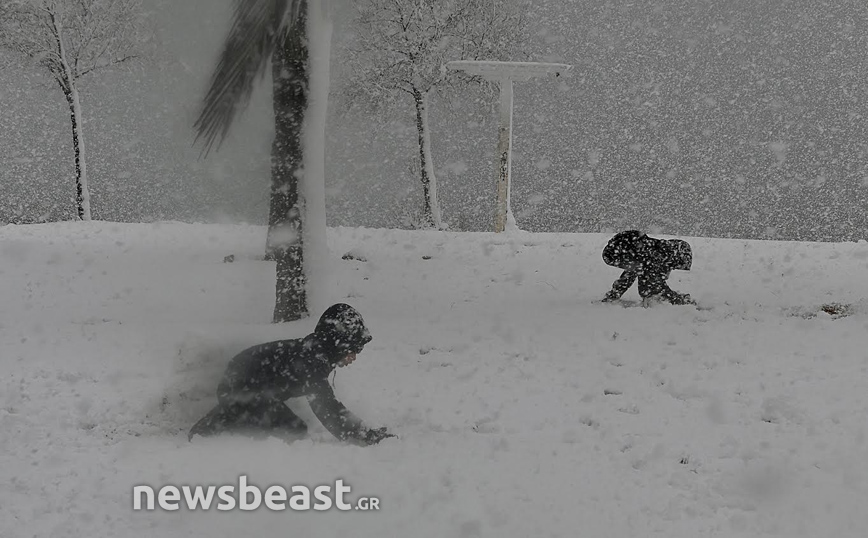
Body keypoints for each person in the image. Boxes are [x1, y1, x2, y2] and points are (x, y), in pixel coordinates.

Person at [188, 303, 395, 446]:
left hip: (245, 388)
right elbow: (327, 408)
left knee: (286, 424)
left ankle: (218, 421)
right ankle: (217, 437)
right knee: (293, 430)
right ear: (338, 344)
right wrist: (365, 435)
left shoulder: (314, 352)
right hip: (240, 388)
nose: (354, 357)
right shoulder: (312, 361)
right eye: (353, 350)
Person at [600, 230, 695, 305]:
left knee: (644, 273)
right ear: (675, 257)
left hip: (615, 250)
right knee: (645, 274)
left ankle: (616, 295)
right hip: (612, 253)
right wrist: (675, 299)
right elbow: (651, 281)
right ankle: (616, 296)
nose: (671, 269)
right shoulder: (654, 254)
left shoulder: (655, 250)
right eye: (673, 266)